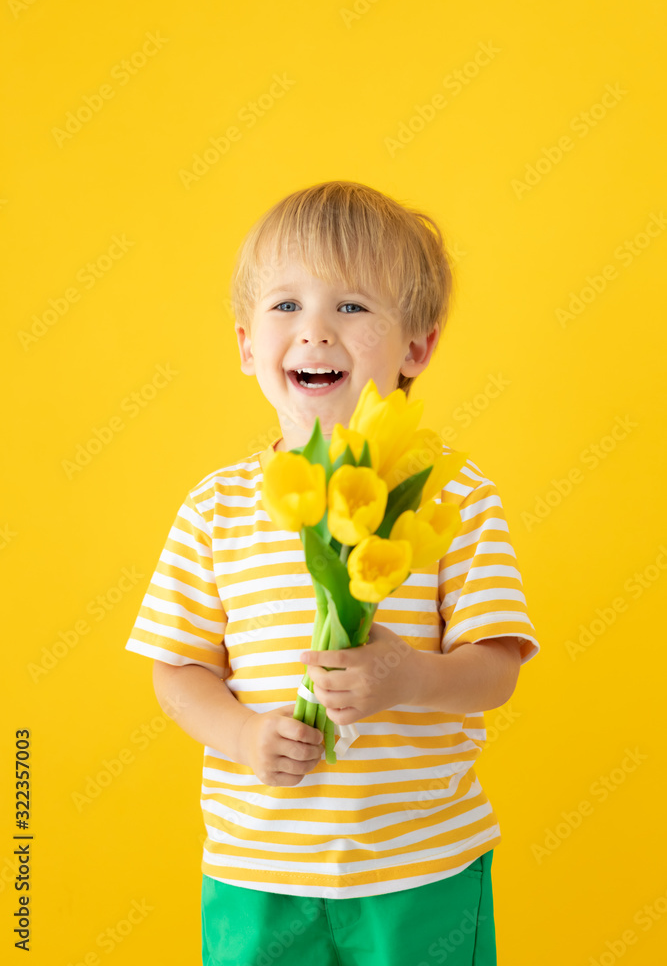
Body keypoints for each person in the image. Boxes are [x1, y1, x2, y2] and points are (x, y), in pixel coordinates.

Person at [124, 180, 540, 966]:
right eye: (285, 307)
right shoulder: (216, 507)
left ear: (417, 346)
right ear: (247, 346)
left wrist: (409, 678)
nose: (313, 333)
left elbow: (496, 669)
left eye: (351, 308)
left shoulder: (456, 495)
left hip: (420, 867)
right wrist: (243, 734)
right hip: (259, 872)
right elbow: (177, 671)